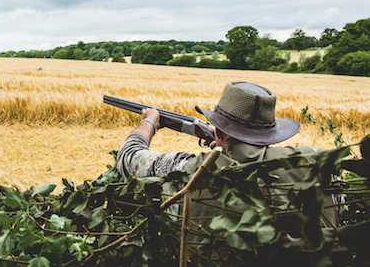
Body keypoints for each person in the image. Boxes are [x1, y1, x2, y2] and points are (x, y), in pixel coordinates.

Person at [116, 80, 338, 238]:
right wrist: (225, 148)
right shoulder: (315, 161)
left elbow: (128, 157)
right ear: (271, 134)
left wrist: (150, 121)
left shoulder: (189, 170)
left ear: (219, 132)